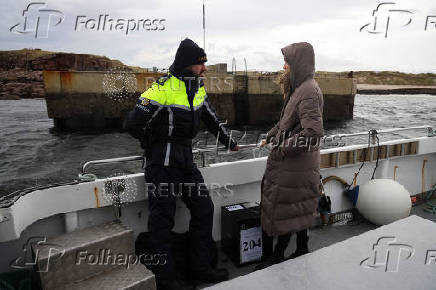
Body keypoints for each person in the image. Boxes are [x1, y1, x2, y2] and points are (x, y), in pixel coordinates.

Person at [124, 38, 239, 290]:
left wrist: (230, 142)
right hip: (162, 163)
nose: (205, 69)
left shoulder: (198, 88)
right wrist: (152, 142)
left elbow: (212, 120)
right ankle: (167, 281)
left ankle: (200, 268)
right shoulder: (161, 87)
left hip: (186, 160)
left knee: (204, 208)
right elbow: (133, 123)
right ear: (188, 64)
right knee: (162, 219)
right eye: (201, 64)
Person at [255, 42, 324, 270]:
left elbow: (312, 132)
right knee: (296, 207)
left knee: (285, 208)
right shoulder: (300, 88)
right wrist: (271, 135)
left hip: (294, 164)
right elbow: (287, 122)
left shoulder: (308, 90)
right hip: (297, 165)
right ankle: (301, 248)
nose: (283, 66)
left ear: (298, 64)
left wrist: (283, 148)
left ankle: (276, 257)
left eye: (288, 62)